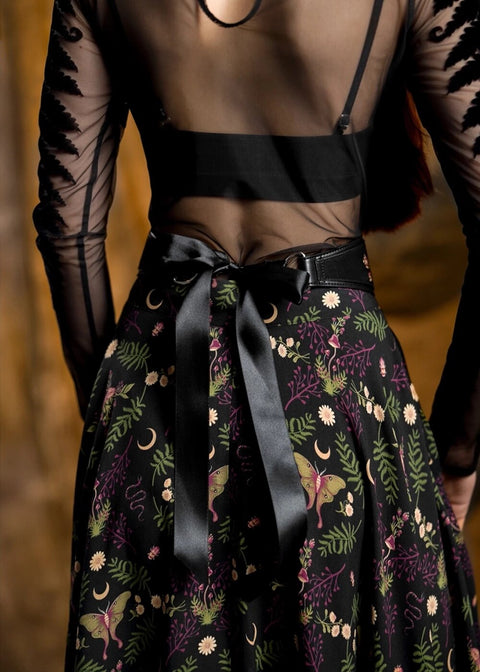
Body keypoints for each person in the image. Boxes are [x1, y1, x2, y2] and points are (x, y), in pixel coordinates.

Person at [33, 0, 479, 669]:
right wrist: (458, 453)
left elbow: (68, 230)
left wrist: (113, 411)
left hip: (157, 400)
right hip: (340, 404)